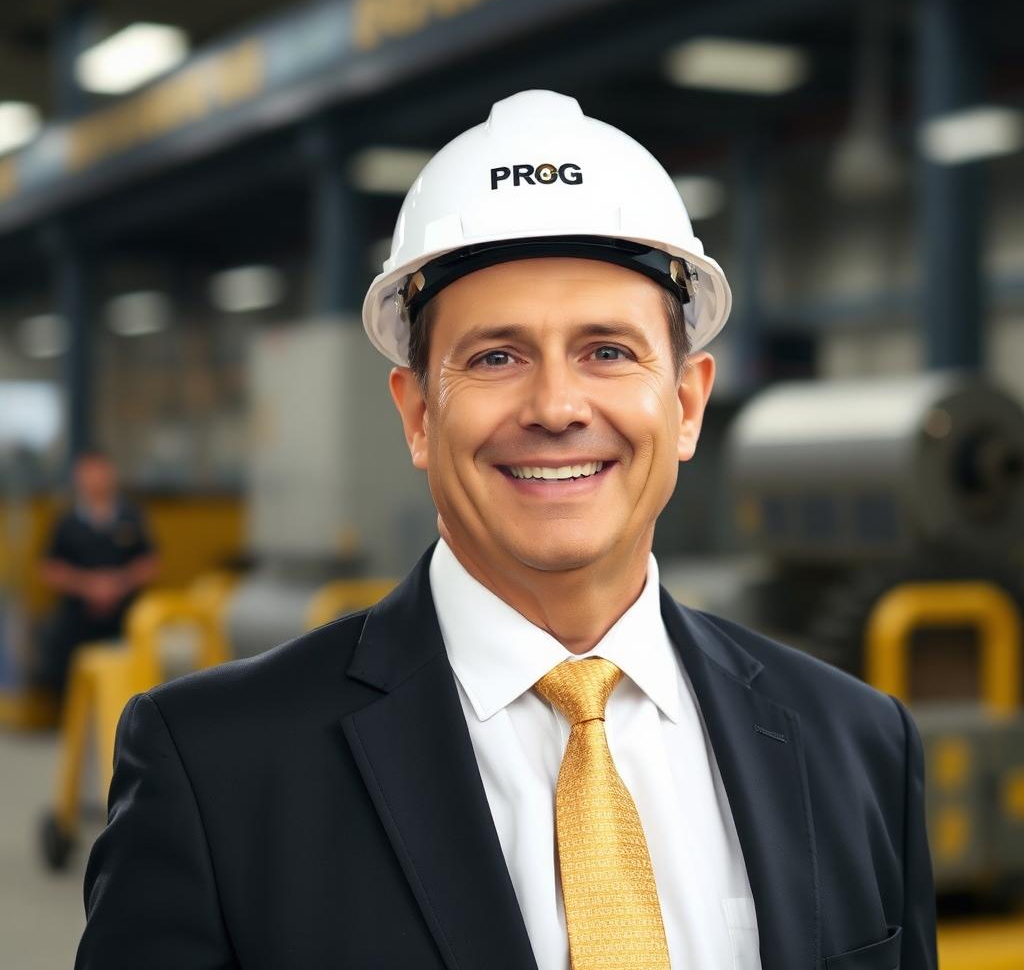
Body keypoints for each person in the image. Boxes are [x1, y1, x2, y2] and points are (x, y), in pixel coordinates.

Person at [76, 91, 937, 970]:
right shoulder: (218, 772)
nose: (558, 408)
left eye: (607, 350)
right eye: (496, 357)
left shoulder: (855, 745)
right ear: (416, 415)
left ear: (686, 403)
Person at [37, 449, 159, 706]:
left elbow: (151, 563)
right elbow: (49, 568)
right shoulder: (66, 521)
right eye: (88, 473)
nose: (95, 479)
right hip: (78, 616)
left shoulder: (132, 516)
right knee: (61, 656)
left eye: (100, 472)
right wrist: (88, 586)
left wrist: (118, 584)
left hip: (124, 612)